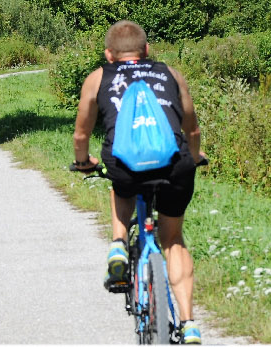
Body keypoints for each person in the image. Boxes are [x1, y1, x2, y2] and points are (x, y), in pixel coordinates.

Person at [71, 20, 205, 345]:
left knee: (122, 180)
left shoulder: (98, 77)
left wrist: (83, 161)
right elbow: (192, 130)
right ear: (147, 50)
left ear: (109, 54)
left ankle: (118, 244)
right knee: (173, 239)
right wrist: (196, 156)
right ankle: (188, 324)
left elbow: (81, 134)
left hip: (126, 165)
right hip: (174, 165)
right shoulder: (170, 74)